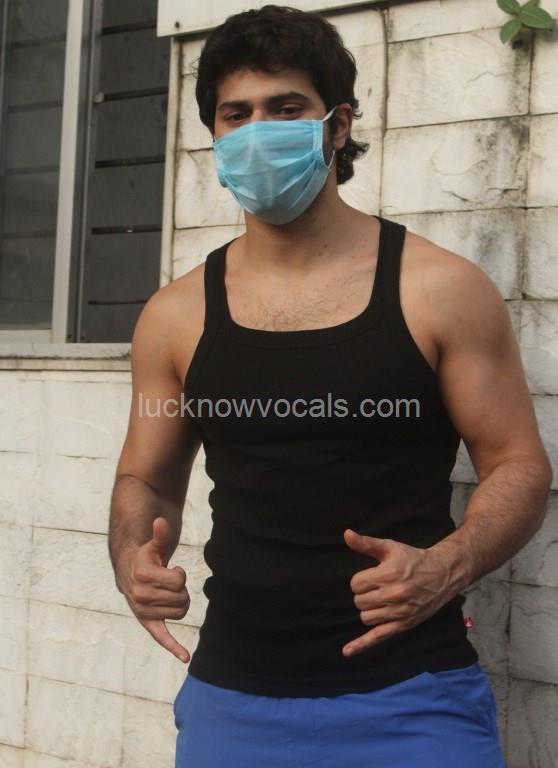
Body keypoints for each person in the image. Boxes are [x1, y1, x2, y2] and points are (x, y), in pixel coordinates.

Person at [108, 5, 552, 767]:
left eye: (286, 109)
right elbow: (145, 477)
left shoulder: (440, 290)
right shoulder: (174, 315)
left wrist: (447, 565)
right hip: (232, 699)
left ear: (337, 125)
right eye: (236, 114)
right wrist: (131, 557)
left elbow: (518, 464)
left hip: (415, 697)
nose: (258, 131)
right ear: (214, 134)